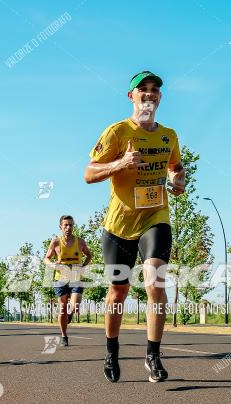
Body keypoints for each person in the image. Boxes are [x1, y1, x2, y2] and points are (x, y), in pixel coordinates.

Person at [83, 70, 185, 383]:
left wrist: (178, 180)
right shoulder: (117, 132)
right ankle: (111, 350)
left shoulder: (169, 135)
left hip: (155, 218)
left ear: (160, 97)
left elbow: (176, 167)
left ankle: (153, 355)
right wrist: (121, 164)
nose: (150, 94)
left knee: (155, 283)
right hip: (118, 226)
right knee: (118, 291)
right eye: (143, 89)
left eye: (155, 90)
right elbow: (89, 173)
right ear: (132, 96)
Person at [43, 215, 91, 346]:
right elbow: (46, 259)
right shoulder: (56, 242)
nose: (68, 227)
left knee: (75, 306)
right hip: (61, 279)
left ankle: (70, 315)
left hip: (76, 277)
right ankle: (64, 336)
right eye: (66, 225)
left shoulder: (80, 242)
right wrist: (54, 265)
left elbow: (89, 254)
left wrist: (83, 266)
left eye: (71, 225)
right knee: (63, 308)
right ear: (60, 227)